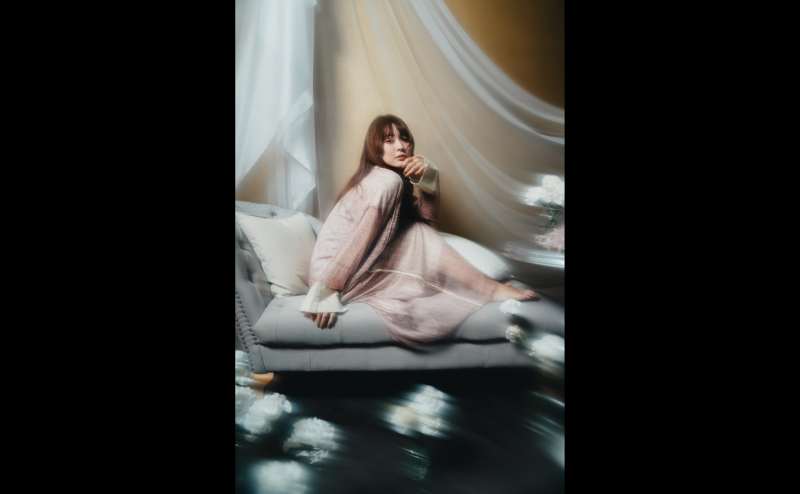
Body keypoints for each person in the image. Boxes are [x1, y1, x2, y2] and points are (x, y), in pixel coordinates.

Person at [300, 114, 537, 346]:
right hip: (330, 273)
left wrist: (429, 182)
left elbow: (427, 226)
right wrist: (326, 289)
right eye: (389, 140)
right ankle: (490, 289)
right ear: (374, 148)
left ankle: (489, 288)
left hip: (346, 270)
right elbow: (358, 240)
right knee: (415, 236)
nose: (401, 146)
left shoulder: (392, 182)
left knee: (415, 233)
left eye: (404, 139)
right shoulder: (384, 181)